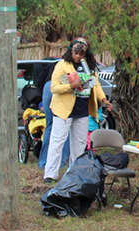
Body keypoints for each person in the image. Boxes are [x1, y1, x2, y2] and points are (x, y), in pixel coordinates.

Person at [43, 37, 113, 184]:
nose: (78, 56)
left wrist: (104, 100)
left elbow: (96, 85)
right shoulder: (62, 65)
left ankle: (74, 173)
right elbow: (54, 88)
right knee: (57, 141)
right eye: (75, 53)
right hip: (64, 110)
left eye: (81, 54)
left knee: (79, 143)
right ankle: (50, 174)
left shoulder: (89, 67)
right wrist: (71, 86)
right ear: (71, 51)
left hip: (82, 110)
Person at [36, 61, 70, 169]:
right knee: (65, 126)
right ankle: (63, 162)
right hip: (62, 88)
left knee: (49, 126)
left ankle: (43, 162)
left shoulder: (53, 64)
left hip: (48, 87)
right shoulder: (71, 66)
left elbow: (39, 81)